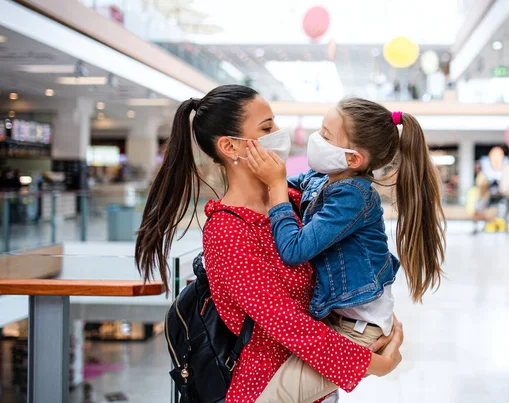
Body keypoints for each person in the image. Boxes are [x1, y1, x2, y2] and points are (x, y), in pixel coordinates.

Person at [134, 85, 404, 403]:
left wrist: (377, 318)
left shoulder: (293, 201)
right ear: (230, 146)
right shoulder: (228, 233)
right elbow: (285, 322)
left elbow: (350, 261)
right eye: (267, 128)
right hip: (263, 386)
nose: (279, 133)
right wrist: (377, 364)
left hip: (315, 381)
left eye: (274, 123)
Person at [245, 99, 446, 402]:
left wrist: (274, 188)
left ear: (353, 159)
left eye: (326, 136)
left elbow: (294, 248)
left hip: (359, 332)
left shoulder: (354, 195)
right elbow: (286, 188)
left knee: (274, 396)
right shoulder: (321, 178)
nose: (316, 139)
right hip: (337, 320)